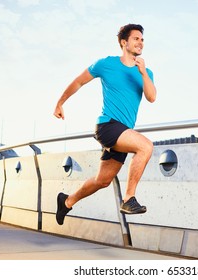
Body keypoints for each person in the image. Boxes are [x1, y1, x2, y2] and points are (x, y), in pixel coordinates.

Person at [53, 24, 157, 225]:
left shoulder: (146, 72)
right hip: (108, 125)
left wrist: (143, 73)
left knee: (103, 180)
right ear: (123, 42)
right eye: (136, 38)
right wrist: (60, 102)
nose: (140, 42)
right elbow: (79, 82)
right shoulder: (106, 64)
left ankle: (66, 201)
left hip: (122, 132)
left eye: (142, 39)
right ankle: (129, 198)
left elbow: (151, 97)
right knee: (145, 146)